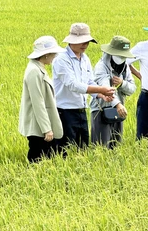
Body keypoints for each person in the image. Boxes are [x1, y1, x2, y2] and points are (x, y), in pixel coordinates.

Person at [52, 23, 115, 155]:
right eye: (81, 41)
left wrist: (100, 95)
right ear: (71, 41)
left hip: (81, 111)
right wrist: (101, 89)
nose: (85, 45)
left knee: (83, 149)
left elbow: (89, 81)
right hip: (65, 112)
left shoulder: (85, 58)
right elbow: (73, 85)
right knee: (65, 151)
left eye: (87, 41)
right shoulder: (61, 59)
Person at [18, 36, 66, 163]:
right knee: (38, 159)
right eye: (53, 53)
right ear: (45, 55)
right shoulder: (34, 71)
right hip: (37, 127)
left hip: (40, 125)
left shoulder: (38, 68)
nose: (55, 55)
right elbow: (37, 102)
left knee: (46, 159)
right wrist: (47, 129)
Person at [90, 36, 136, 149]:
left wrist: (122, 83)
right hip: (101, 110)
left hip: (118, 112)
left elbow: (132, 88)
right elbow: (106, 89)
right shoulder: (101, 66)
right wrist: (118, 104)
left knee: (116, 147)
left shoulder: (125, 67)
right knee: (101, 148)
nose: (122, 58)